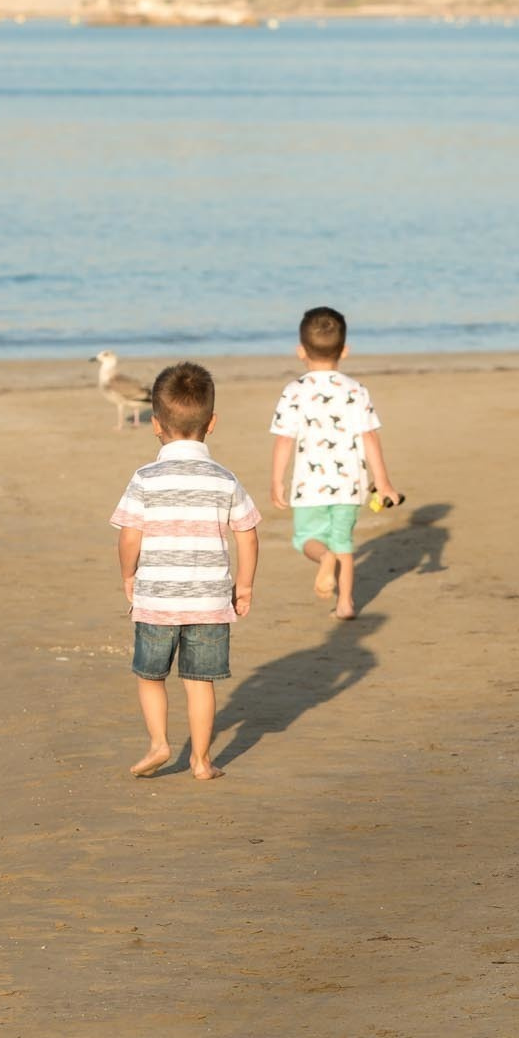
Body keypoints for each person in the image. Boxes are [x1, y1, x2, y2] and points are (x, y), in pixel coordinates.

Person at [110, 361, 260, 780]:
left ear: (155, 424)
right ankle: (201, 760)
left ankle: (159, 742)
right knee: (199, 681)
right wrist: (244, 586)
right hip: (209, 601)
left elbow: (129, 537)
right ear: (211, 423)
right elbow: (247, 535)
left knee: (150, 675)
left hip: (157, 598)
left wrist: (128, 575)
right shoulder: (225, 479)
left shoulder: (145, 478)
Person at [268, 306, 403, 622]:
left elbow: (284, 440)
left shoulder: (294, 391)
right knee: (344, 542)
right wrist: (383, 482)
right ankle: (345, 604)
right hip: (349, 484)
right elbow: (370, 437)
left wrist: (277, 480)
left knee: (306, 539)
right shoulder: (356, 390)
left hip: (309, 484)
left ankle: (324, 558)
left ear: (301, 352)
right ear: (345, 351)